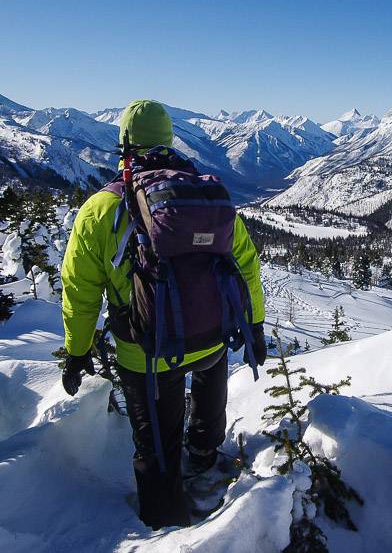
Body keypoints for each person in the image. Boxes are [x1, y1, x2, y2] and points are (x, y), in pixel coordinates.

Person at [59, 99, 267, 529]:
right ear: (170, 139)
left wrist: (77, 350)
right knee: (209, 395)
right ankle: (206, 458)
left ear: (123, 145)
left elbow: (81, 292)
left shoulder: (101, 210)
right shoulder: (206, 192)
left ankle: (165, 522)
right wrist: (256, 324)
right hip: (212, 337)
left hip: (147, 353)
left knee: (156, 445)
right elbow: (245, 263)